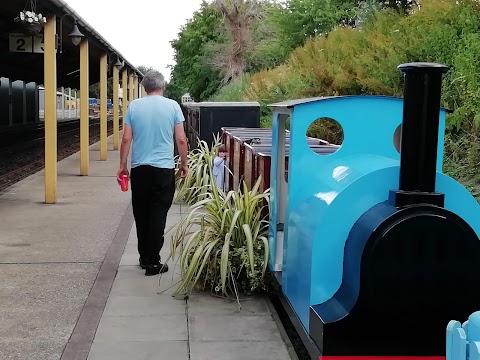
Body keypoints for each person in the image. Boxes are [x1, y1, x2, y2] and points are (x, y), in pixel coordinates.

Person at [117, 70, 188, 276]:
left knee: (141, 213)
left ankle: (144, 257)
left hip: (140, 169)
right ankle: (153, 262)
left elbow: (126, 138)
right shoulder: (173, 106)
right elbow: (181, 139)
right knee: (158, 213)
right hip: (163, 169)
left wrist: (122, 165)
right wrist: (184, 163)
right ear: (162, 86)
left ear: (145, 87)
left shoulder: (134, 106)